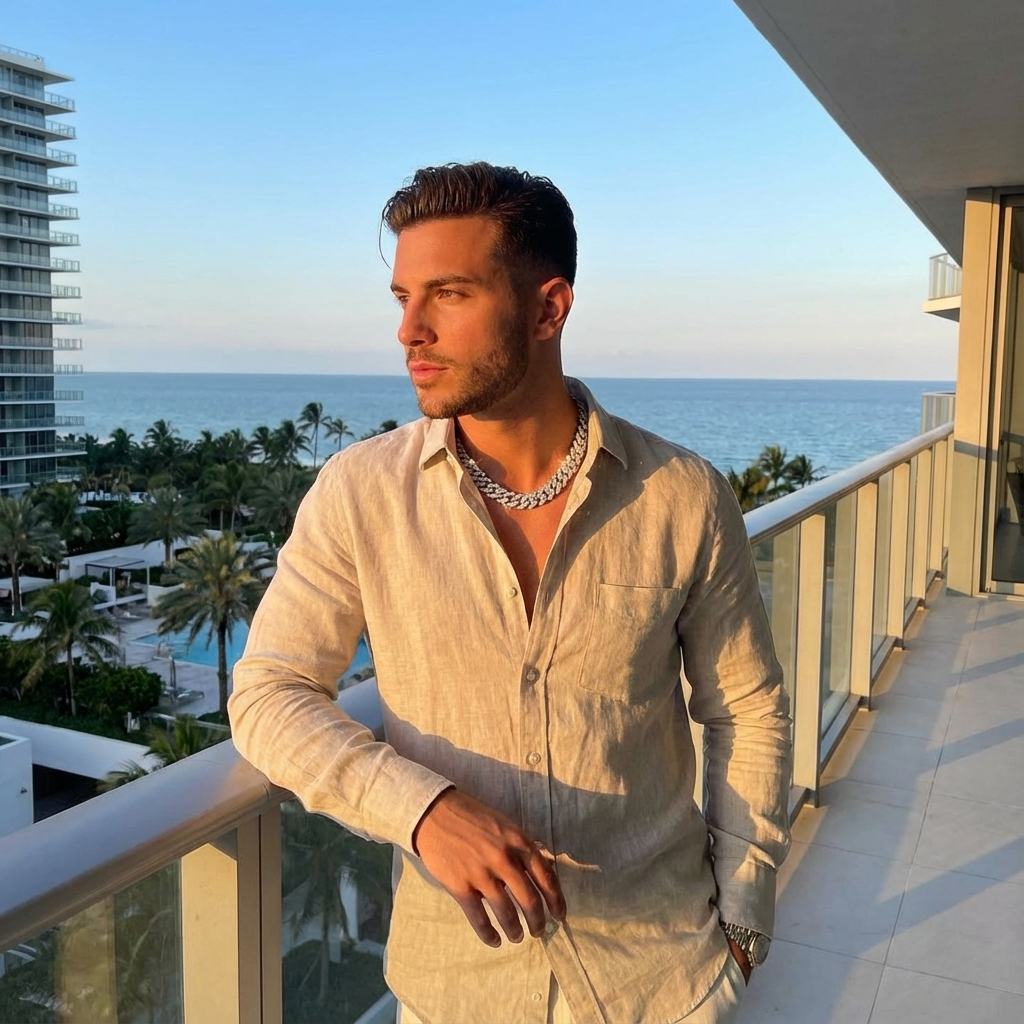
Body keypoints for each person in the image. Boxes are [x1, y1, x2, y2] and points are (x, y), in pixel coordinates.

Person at [229, 162, 792, 1024]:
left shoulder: (682, 495)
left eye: (448, 294)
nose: (410, 331)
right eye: (402, 299)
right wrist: (422, 810)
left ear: (547, 308)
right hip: (456, 990)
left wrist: (745, 916)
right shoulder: (360, 493)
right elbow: (269, 693)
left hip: (661, 982)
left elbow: (746, 708)